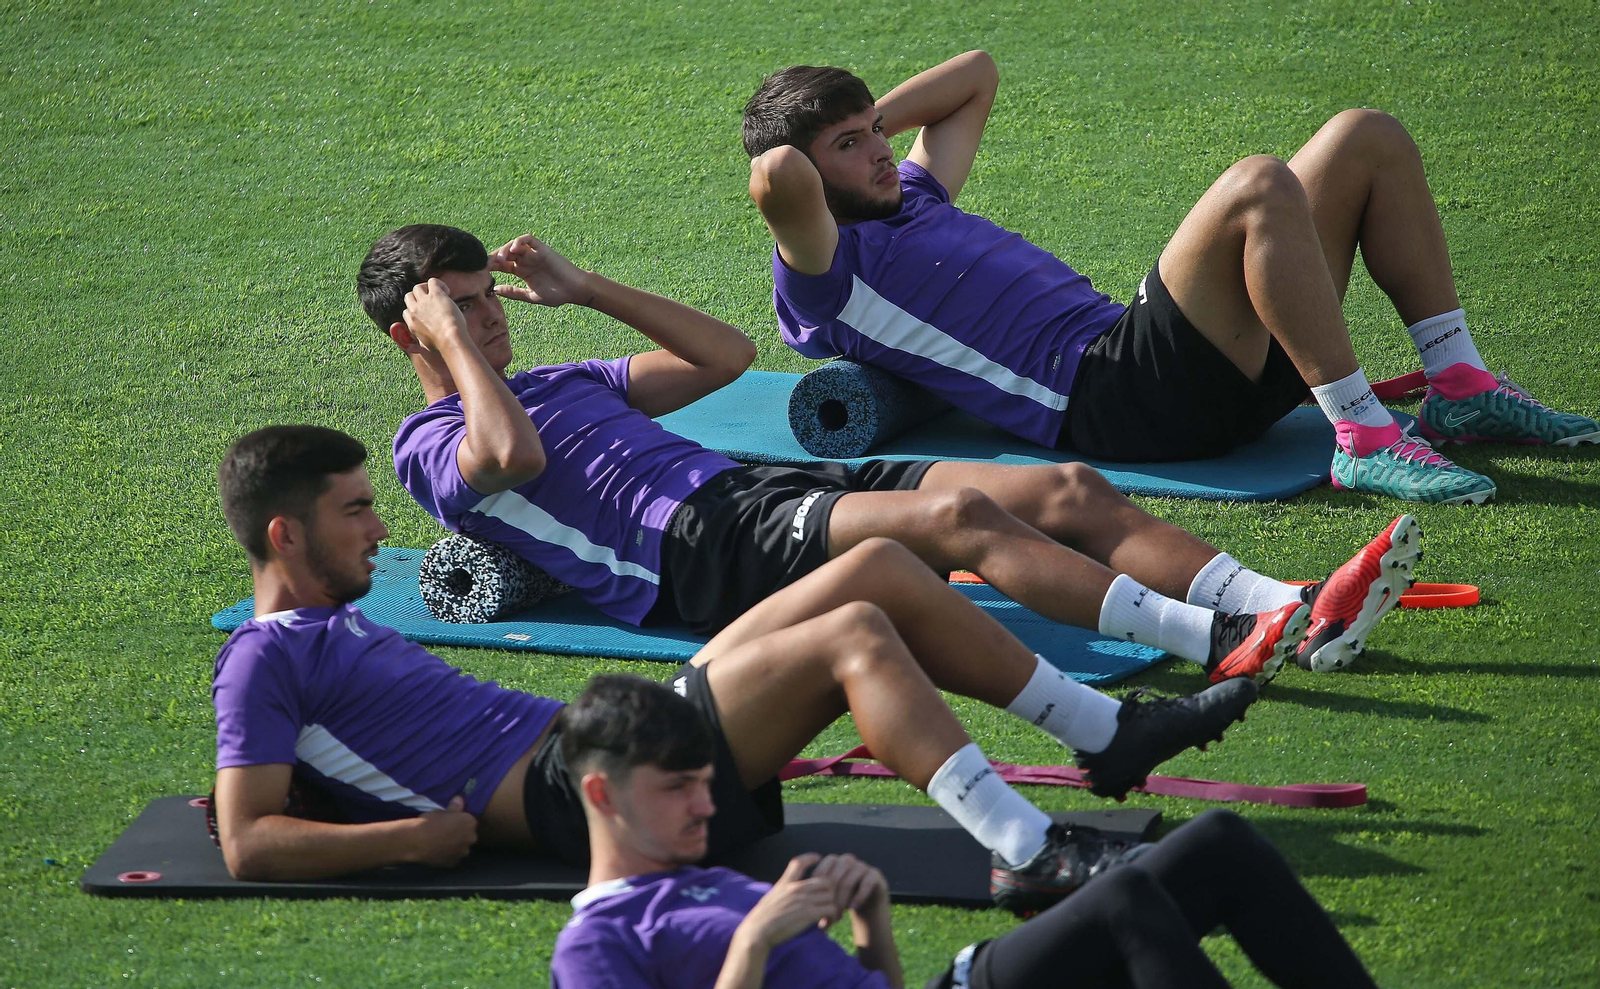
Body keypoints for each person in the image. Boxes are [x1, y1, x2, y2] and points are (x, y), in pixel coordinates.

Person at [210, 424, 1259, 911]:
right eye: (353, 509)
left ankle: (1108, 734)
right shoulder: (258, 662)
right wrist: (414, 836)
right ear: (284, 534)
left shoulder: (328, 631)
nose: (376, 525)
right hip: (579, 791)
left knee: (880, 566)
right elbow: (249, 840)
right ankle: (1023, 848)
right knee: (852, 637)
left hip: (598, 728)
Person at [357, 223, 1422, 680]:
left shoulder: (556, 378)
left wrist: (583, 289)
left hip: (755, 494)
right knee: (963, 525)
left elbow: (722, 355)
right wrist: (453, 351)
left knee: (1062, 486)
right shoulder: (428, 442)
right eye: (461, 309)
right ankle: (1222, 638)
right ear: (411, 331)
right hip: (698, 556)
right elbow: (499, 454)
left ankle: (1288, 596)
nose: (490, 318)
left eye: (488, 299)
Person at [743, 51, 1600, 506]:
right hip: (1111, 398)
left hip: (1181, 368)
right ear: (813, 181)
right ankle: (1365, 440)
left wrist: (863, 121)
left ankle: (1457, 383)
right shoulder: (827, 273)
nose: (881, 151)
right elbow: (776, 173)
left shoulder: (915, 192)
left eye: (876, 132)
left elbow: (976, 74)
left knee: (1362, 136)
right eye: (849, 147)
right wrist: (813, 147)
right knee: (1257, 183)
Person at [550, 674, 1382, 988]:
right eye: (679, 789)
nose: (706, 806)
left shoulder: (703, 876)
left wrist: (871, 918)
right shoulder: (596, 942)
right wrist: (755, 943)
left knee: (1216, 843)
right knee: (1125, 894)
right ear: (603, 793)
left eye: (706, 784)